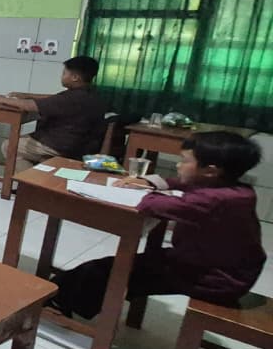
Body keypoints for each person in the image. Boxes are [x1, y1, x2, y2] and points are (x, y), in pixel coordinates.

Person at [49, 132, 265, 319]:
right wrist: (151, 182)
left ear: (210, 170)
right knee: (117, 268)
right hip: (209, 266)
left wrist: (147, 191)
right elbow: (180, 184)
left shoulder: (215, 200)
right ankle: (64, 295)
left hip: (215, 278)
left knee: (107, 271)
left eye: (184, 161)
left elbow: (152, 205)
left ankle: (62, 305)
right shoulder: (234, 189)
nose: (178, 165)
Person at [0, 55, 106, 170]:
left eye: (64, 73)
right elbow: (54, 98)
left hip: (60, 146)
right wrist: (26, 95)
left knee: (9, 146)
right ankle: (35, 173)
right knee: (22, 141)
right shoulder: (90, 94)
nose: (61, 76)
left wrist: (1, 99)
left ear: (75, 77)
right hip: (81, 146)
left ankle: (30, 179)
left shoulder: (74, 98)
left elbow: (29, 106)